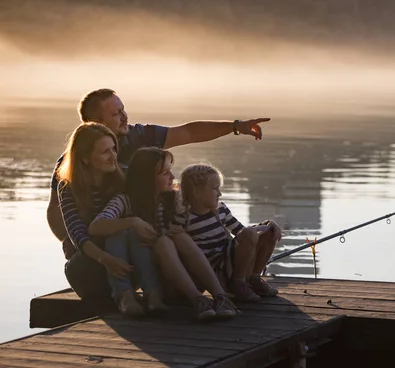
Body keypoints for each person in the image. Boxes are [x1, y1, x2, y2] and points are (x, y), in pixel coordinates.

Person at [47, 88, 270, 259]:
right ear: (95, 124)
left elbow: (188, 132)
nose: (125, 117)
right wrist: (73, 245)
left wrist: (235, 126)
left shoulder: (139, 136)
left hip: (145, 233)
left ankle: (230, 262)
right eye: (116, 114)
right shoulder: (72, 163)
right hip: (101, 240)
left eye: (123, 109)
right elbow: (57, 211)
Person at [89, 147, 237, 321]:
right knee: (122, 232)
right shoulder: (126, 201)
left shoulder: (176, 200)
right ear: (147, 179)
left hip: (181, 275)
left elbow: (206, 214)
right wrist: (133, 221)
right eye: (165, 173)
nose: (173, 177)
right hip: (154, 276)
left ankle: (219, 296)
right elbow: (95, 226)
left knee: (177, 237)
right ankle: (130, 294)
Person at [57, 122, 166, 316]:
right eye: (105, 152)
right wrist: (106, 259)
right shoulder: (68, 187)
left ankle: (152, 293)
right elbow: (78, 235)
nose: (113, 156)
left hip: (127, 266)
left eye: (114, 149)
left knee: (124, 231)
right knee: (118, 230)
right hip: (89, 268)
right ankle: (124, 295)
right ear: (84, 158)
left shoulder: (123, 177)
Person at [176, 162, 282, 302]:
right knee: (250, 234)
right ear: (197, 192)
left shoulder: (221, 209)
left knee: (269, 232)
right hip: (212, 272)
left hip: (230, 262)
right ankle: (237, 284)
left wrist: (267, 225)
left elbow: (242, 232)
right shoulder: (184, 217)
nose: (220, 193)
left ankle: (252, 280)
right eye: (215, 189)